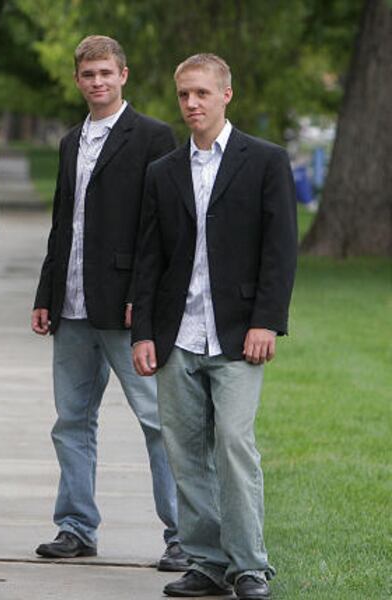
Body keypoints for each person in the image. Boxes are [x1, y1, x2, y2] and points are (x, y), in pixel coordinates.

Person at [131, 53, 297, 599]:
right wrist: (144, 334)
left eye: (201, 93)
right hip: (177, 335)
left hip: (237, 334)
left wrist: (266, 322)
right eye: (183, 95)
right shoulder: (163, 172)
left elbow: (280, 251)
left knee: (233, 443)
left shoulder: (265, 161)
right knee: (184, 450)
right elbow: (149, 258)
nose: (191, 104)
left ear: (228, 94)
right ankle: (205, 562)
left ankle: (249, 565)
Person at [31, 35, 188, 571]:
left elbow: (159, 227)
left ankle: (183, 535)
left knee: (158, 420)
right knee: (71, 420)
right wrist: (46, 292)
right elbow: (63, 222)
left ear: (124, 75)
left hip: (124, 308)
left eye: (106, 73)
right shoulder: (71, 140)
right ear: (78, 80)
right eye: (88, 74)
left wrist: (141, 301)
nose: (97, 82)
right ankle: (76, 527)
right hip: (71, 305)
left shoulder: (152, 136)